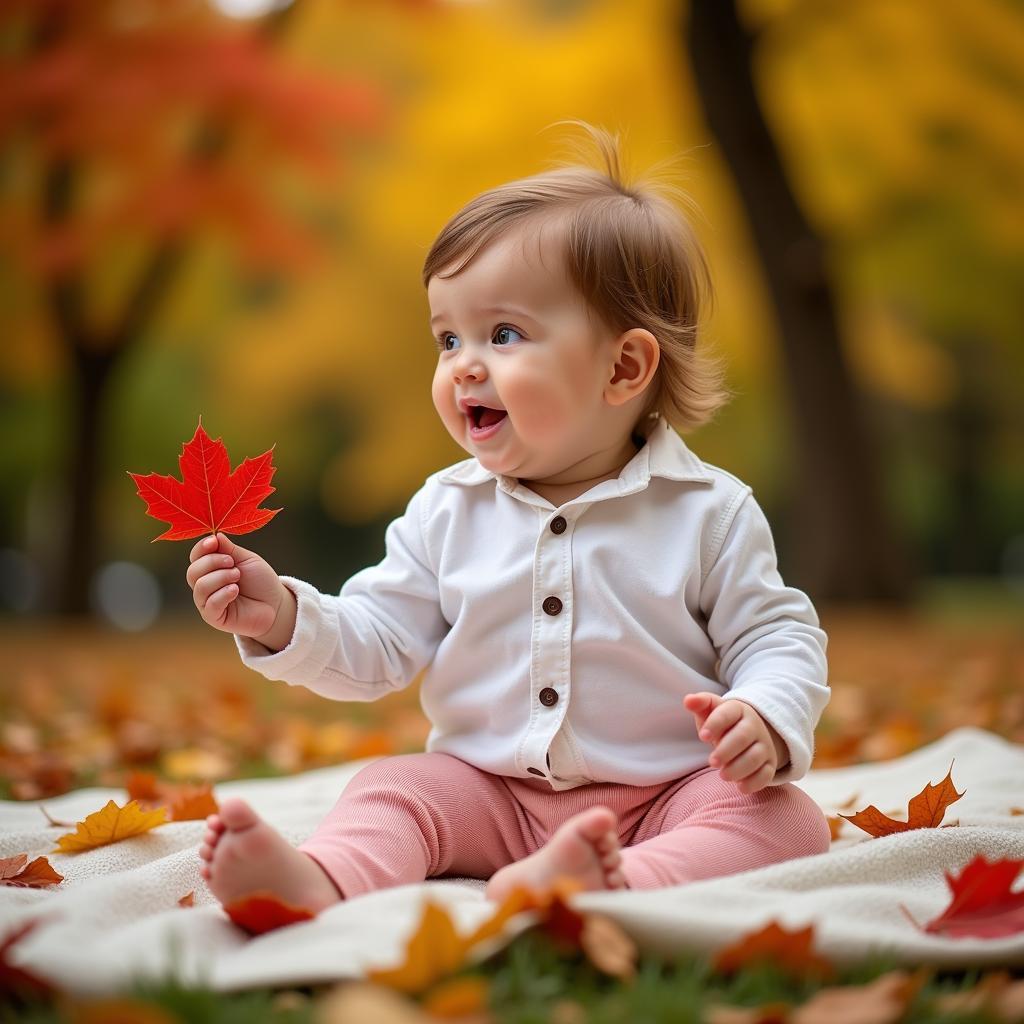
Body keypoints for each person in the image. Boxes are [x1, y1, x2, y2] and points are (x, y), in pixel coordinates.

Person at [187, 123, 831, 913]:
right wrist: (284, 616)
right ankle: (319, 879)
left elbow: (777, 636)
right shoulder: (445, 511)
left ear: (623, 366)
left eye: (503, 334)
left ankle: (623, 880)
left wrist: (764, 711)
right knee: (392, 788)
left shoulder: (707, 512)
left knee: (785, 818)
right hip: (486, 791)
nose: (463, 364)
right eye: (447, 337)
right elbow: (381, 641)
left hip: (668, 793)